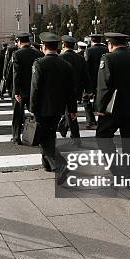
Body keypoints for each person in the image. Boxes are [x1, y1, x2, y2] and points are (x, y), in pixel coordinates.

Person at [93, 32, 130, 181]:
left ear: (110, 44)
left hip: (113, 108)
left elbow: (104, 85)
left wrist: (99, 107)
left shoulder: (108, 58)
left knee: (103, 137)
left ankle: (117, 169)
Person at [30, 32, 77, 172]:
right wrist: (72, 109)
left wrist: (32, 107)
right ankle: (47, 164)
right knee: (49, 134)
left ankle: (59, 163)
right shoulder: (66, 65)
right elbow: (71, 91)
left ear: (43, 46)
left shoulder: (39, 63)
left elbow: (35, 87)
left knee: (43, 137)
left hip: (42, 107)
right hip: (59, 107)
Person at [11, 32, 43, 144]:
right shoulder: (38, 53)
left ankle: (16, 137)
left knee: (18, 115)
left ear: (19, 42)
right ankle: (38, 136)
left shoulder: (17, 54)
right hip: (35, 89)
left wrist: (16, 91)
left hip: (21, 90)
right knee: (36, 113)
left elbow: (16, 74)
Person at [58, 35, 89, 139]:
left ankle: (75, 136)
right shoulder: (80, 58)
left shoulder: (60, 57)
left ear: (63, 45)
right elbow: (85, 75)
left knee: (70, 112)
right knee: (70, 111)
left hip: (63, 89)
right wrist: (89, 89)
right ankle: (64, 128)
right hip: (77, 89)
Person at [84, 34, 108, 129]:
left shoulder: (89, 50)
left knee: (86, 100)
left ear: (91, 41)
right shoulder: (106, 49)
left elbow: (87, 67)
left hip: (92, 80)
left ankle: (91, 121)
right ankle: (104, 119)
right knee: (104, 99)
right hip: (104, 79)